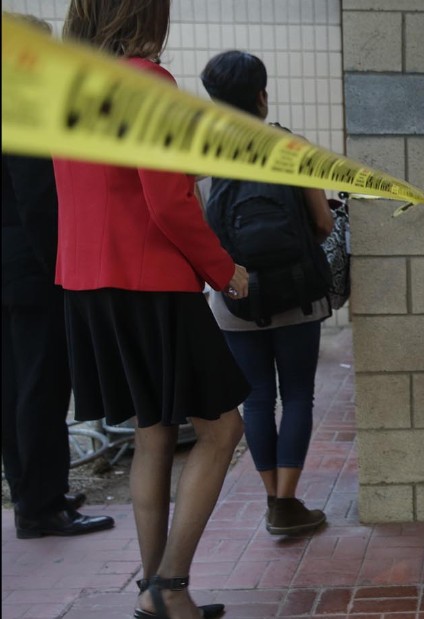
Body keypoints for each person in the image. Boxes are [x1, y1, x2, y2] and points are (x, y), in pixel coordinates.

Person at [56, 2, 250, 617]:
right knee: (222, 428)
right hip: (148, 280)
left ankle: (157, 593)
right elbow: (168, 201)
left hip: (88, 282)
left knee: (153, 432)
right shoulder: (147, 80)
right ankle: (169, 586)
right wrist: (226, 269)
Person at [200, 50, 334, 536]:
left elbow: (200, 231)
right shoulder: (291, 146)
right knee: (297, 396)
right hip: (297, 296)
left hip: (235, 299)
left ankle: (269, 499)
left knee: (256, 400)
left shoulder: (201, 156)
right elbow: (321, 222)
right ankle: (286, 503)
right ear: (262, 95)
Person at [1, 11, 115, 542]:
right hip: (30, 271)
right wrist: (61, 269)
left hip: (9, 270)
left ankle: (31, 494)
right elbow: (39, 201)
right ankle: (42, 506)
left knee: (13, 389)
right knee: (41, 387)